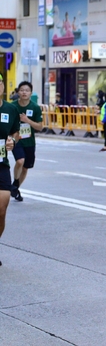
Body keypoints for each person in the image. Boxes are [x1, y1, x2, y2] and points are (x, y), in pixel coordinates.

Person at [0, 73, 21, 267]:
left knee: (2, 206)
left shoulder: (10, 109)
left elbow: (16, 132)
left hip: (1, 163)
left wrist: (12, 141)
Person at [10, 81, 43, 202]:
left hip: (29, 141)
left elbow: (40, 127)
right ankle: (15, 184)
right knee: (20, 161)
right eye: (22, 90)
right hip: (16, 139)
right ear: (18, 92)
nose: (24, 92)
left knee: (25, 168)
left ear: (31, 93)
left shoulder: (35, 107)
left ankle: (15, 188)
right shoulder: (12, 107)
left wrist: (27, 120)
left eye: (27, 90)